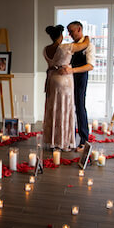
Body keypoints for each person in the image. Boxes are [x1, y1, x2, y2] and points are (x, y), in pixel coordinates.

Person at [43, 25, 90, 151]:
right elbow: (85, 44)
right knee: (64, 110)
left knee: (54, 110)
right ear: (61, 36)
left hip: (51, 80)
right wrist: (87, 37)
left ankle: (53, 141)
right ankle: (64, 142)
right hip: (64, 81)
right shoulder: (65, 47)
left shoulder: (46, 49)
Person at [64, 21, 95, 150]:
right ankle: (68, 138)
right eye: (69, 32)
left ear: (79, 29)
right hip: (68, 78)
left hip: (81, 77)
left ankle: (83, 138)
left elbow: (90, 66)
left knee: (80, 107)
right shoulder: (71, 45)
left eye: (71, 31)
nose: (70, 34)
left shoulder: (89, 45)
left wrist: (73, 70)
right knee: (68, 108)